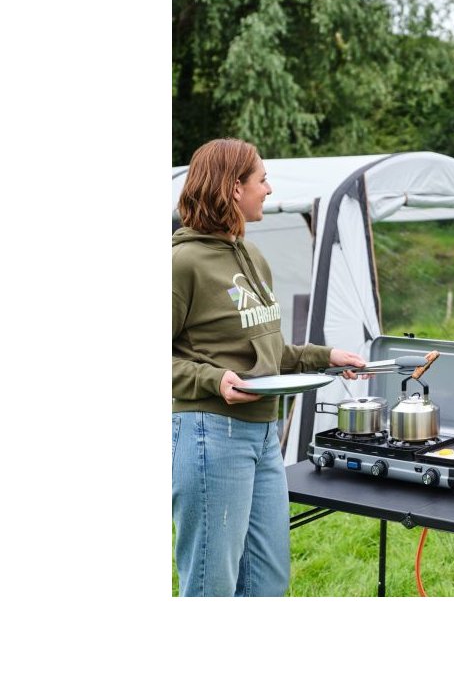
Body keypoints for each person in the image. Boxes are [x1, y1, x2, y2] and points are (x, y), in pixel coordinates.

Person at [173, 137, 367, 596]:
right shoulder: (182, 262)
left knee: (267, 581)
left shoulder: (252, 257)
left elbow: (268, 351)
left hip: (264, 435)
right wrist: (212, 379)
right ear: (233, 188)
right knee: (211, 585)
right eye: (262, 180)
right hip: (211, 434)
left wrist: (325, 357)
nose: (269, 189)